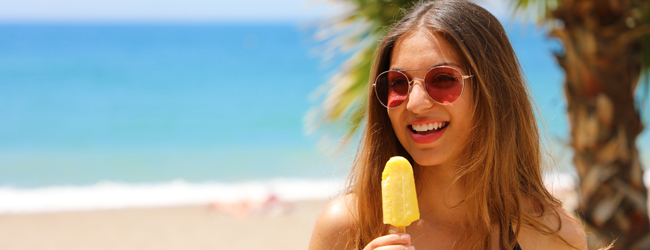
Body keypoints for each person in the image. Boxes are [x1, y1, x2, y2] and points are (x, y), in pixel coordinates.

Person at [308, 0, 587, 249]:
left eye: (442, 80)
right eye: (397, 84)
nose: (415, 103)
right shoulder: (345, 227)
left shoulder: (552, 234)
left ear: (493, 90)